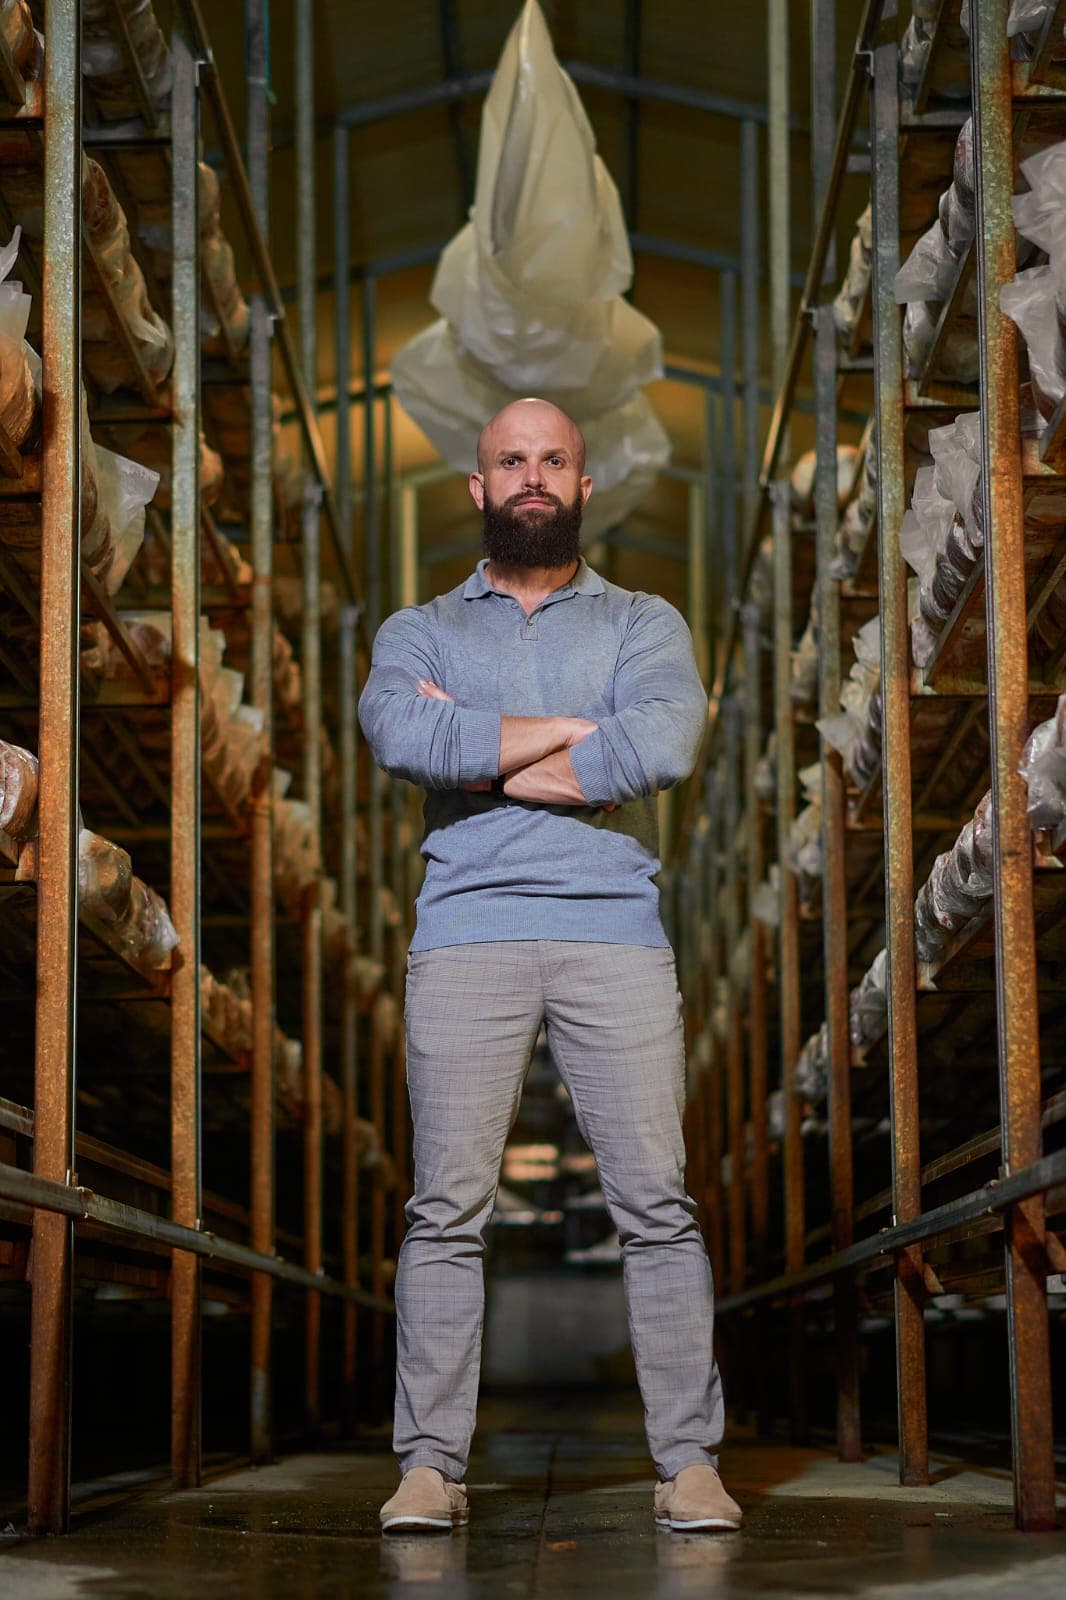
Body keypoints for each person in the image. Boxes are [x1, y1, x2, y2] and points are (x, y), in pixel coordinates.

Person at [358, 397, 741, 1537]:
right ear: (476, 489)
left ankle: (689, 1463)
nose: (532, 476)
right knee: (445, 1210)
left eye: (553, 459)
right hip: (465, 924)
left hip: (609, 927)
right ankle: (428, 1464)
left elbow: (663, 740)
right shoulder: (417, 629)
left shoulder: (643, 620)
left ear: (584, 484)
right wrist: (577, 734)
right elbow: (399, 734)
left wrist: (480, 746)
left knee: (657, 1205)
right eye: (510, 460)